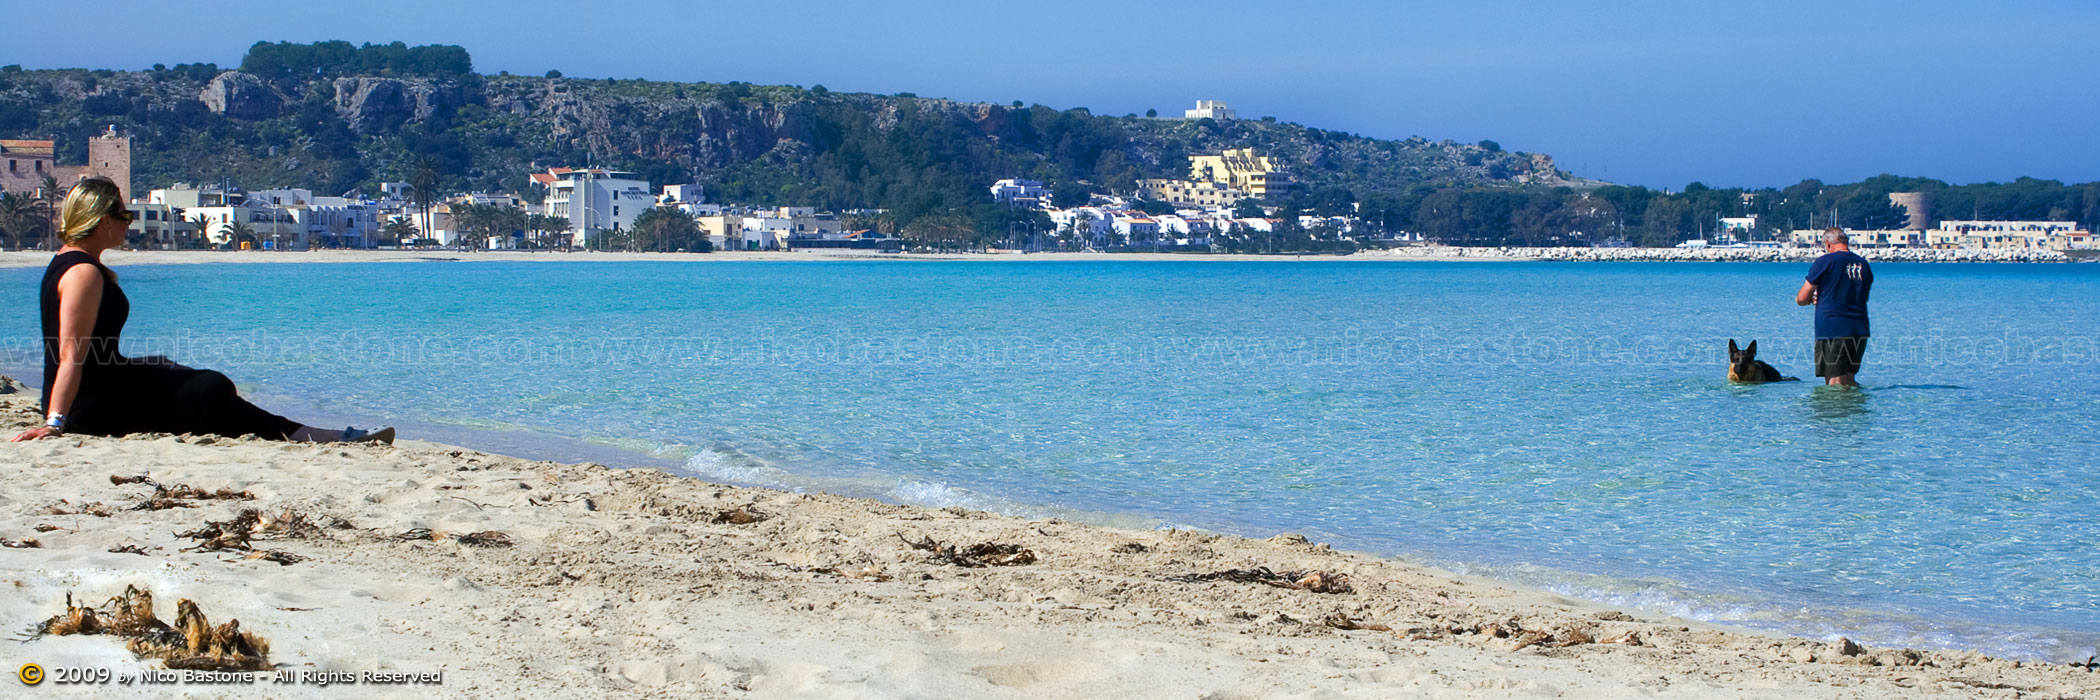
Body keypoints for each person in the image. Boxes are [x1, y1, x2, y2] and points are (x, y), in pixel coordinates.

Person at [11, 177, 393, 443]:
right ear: (103, 221)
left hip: (101, 387)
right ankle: (313, 435)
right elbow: (70, 355)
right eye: (124, 218)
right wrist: (56, 422)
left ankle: (304, 432)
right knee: (210, 389)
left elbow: (91, 353)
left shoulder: (69, 262)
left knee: (187, 376)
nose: (127, 226)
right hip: (90, 406)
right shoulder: (83, 273)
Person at [1795, 226, 1873, 387]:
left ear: (1828, 244)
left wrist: (1812, 299)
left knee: (1835, 382)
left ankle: (1834, 413)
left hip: (1833, 329)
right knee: (1850, 380)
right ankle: (1854, 412)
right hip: (1859, 329)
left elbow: (1801, 298)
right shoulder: (1863, 264)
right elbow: (1863, 298)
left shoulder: (1826, 261)